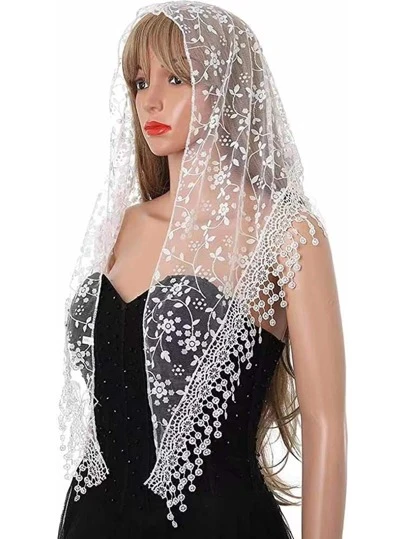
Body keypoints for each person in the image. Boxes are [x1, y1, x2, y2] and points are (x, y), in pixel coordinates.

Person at [57, 1, 347, 537]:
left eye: (177, 78)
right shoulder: (121, 226)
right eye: (140, 82)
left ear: (229, 88)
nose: (151, 100)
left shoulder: (286, 233)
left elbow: (325, 423)